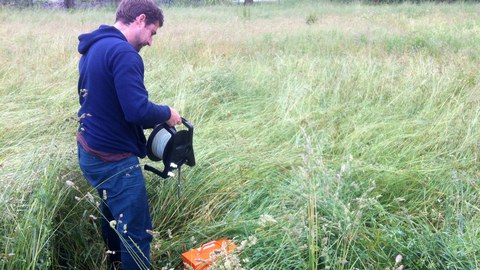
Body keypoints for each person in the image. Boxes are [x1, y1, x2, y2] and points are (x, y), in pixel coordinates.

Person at [76, 0, 181, 269]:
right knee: (136, 233)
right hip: (114, 159)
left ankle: (114, 263)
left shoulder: (94, 46)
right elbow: (136, 111)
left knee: (112, 215)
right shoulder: (124, 53)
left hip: (89, 151)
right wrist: (167, 112)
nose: (150, 42)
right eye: (152, 32)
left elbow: (98, 100)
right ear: (140, 19)